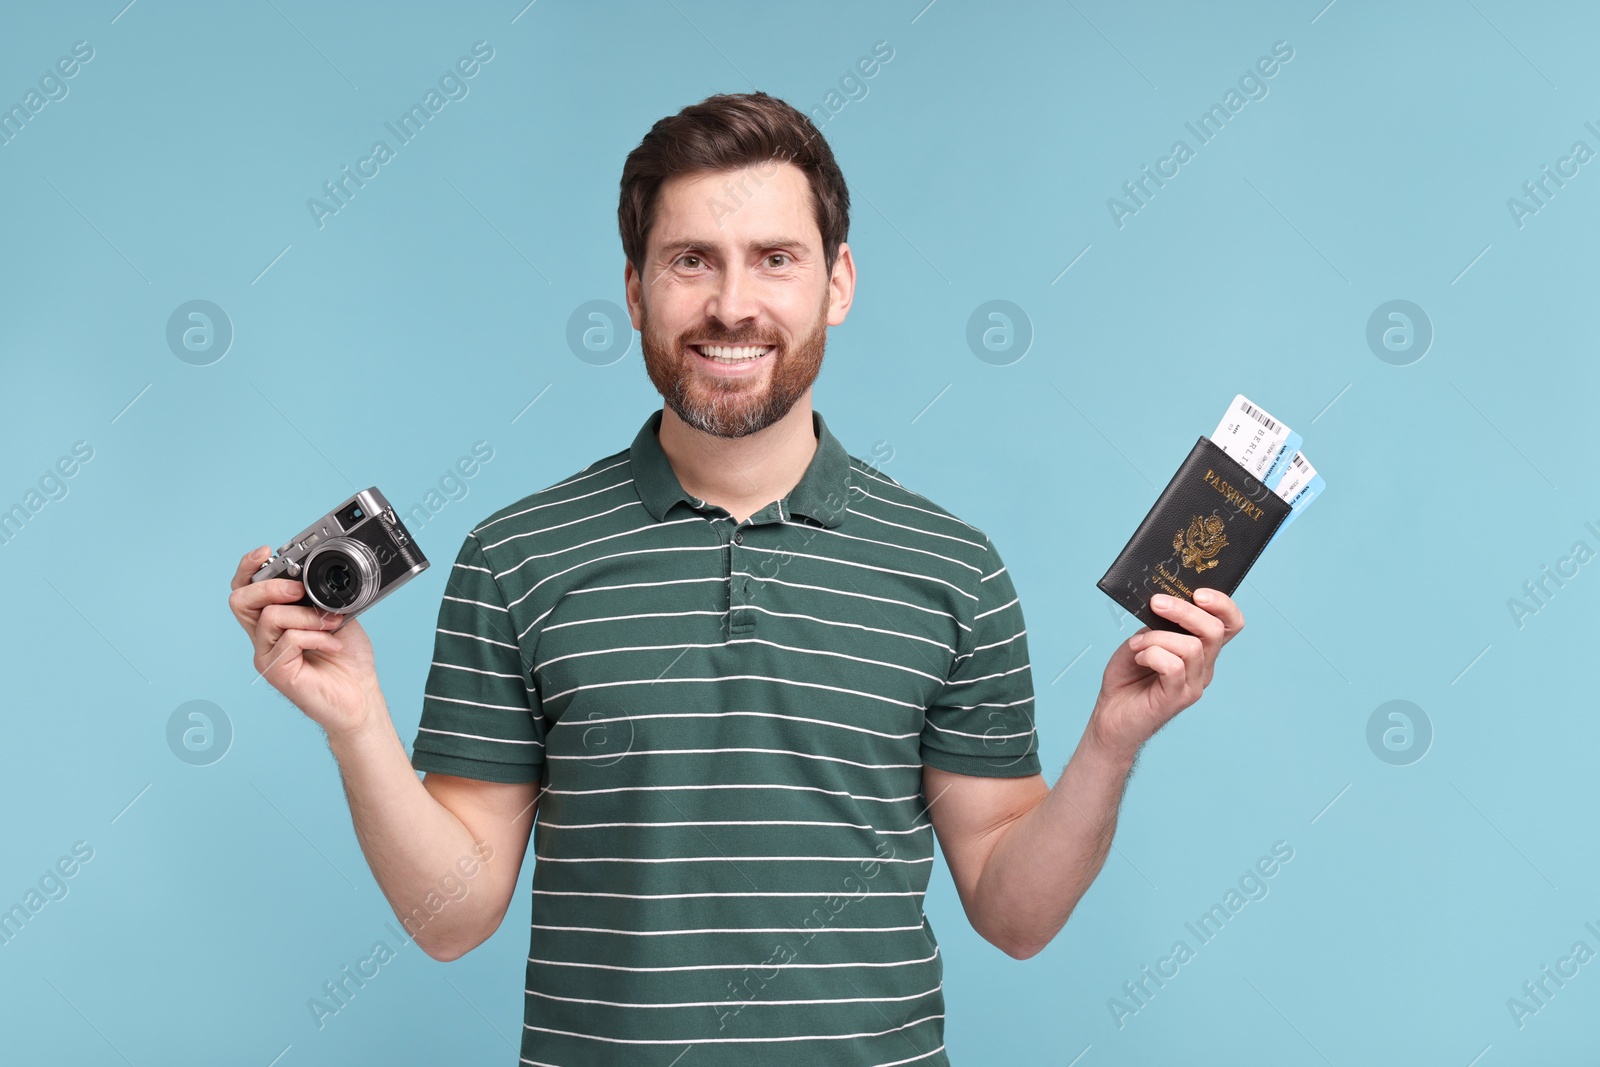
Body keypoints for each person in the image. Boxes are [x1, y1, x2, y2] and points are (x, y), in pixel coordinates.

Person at [227, 91, 1247, 1066]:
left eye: (774, 258)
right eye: (689, 260)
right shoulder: (517, 558)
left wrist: (1112, 743)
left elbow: (1014, 915)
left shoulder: (953, 567)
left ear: (836, 282)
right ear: (634, 290)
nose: (731, 303)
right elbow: (453, 918)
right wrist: (355, 719)